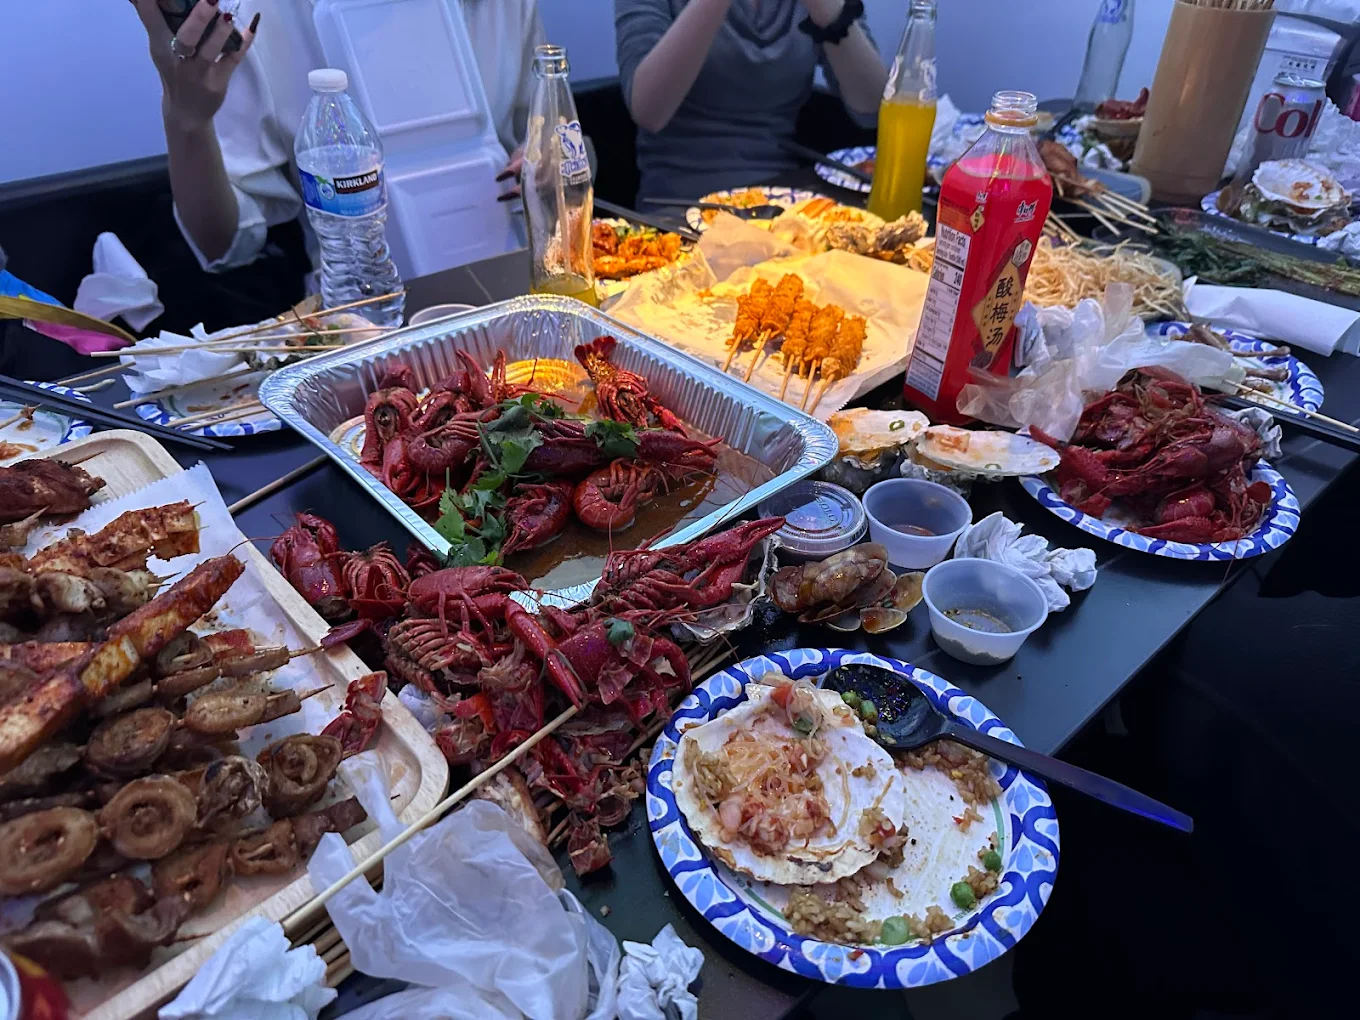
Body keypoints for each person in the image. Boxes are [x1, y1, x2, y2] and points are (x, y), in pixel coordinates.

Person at [127, 0, 542, 273]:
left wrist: (553, 164)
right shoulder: (262, 15)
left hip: (520, 286)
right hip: (362, 321)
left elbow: (564, 144)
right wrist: (187, 122)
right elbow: (223, 242)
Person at [615, 0, 887, 199]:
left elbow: (873, 110)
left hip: (782, 199)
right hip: (679, 204)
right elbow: (649, 111)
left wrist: (826, 10)